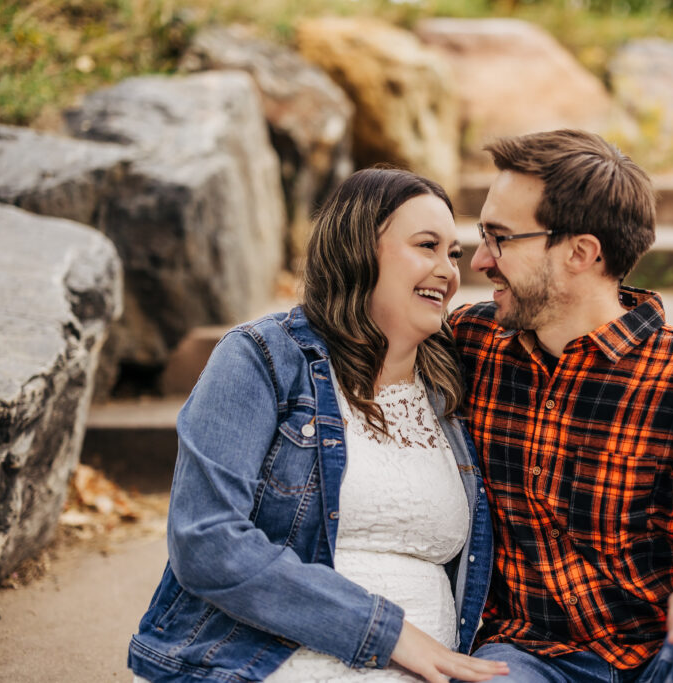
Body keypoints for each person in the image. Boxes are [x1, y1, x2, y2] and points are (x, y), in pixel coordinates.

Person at [129, 168, 508, 683]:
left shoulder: (456, 381)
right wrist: (384, 632)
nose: (448, 270)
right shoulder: (264, 359)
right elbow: (206, 541)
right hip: (257, 665)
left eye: (454, 254)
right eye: (427, 246)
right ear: (357, 249)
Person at [448, 130, 673, 683]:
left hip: (662, 654)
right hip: (529, 656)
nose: (481, 259)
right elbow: (354, 336)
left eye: (501, 238)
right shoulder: (470, 343)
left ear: (581, 253)